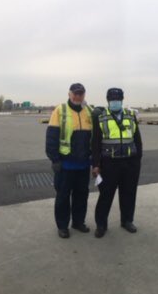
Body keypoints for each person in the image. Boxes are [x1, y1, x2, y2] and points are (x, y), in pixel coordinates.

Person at [91, 88, 142, 238]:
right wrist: (96, 164)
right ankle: (101, 225)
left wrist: (137, 160)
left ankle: (127, 221)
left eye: (118, 99)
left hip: (130, 163)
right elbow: (95, 144)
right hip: (109, 164)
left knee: (129, 194)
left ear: (122, 100)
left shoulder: (131, 116)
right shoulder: (101, 117)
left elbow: (137, 140)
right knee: (105, 195)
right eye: (112, 99)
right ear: (108, 101)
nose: (115, 101)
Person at [45, 83, 93, 239]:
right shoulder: (60, 110)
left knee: (81, 195)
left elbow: (95, 136)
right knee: (63, 197)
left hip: (84, 164)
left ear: (84, 95)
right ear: (69, 94)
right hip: (65, 164)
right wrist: (55, 159)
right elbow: (51, 137)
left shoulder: (89, 111)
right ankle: (62, 226)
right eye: (75, 93)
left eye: (81, 94)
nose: (78, 96)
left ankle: (78, 222)